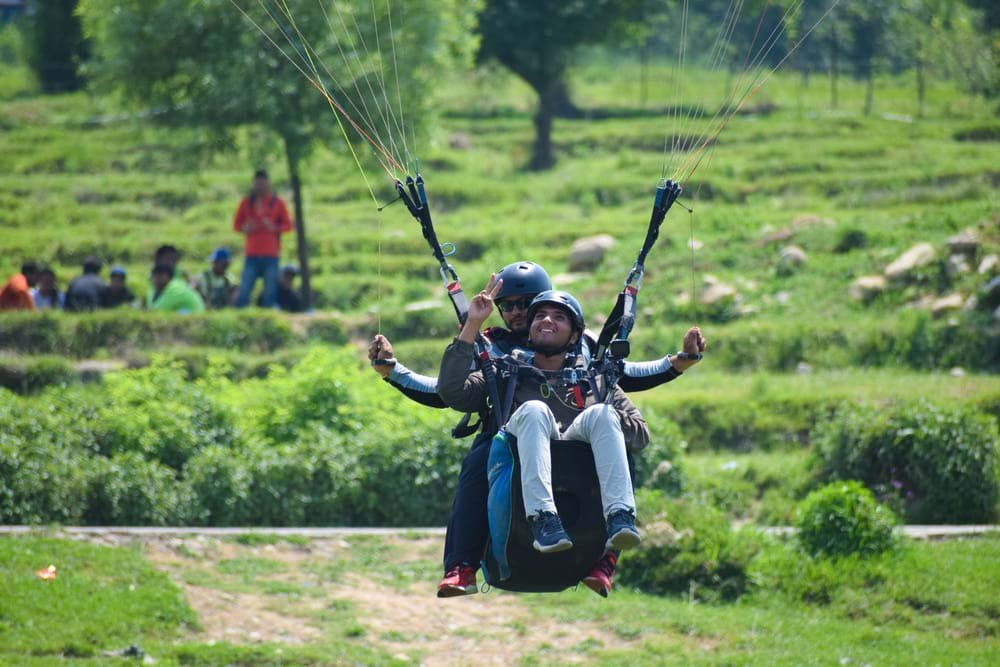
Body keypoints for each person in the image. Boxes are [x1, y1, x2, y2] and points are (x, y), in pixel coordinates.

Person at [369, 260, 705, 597]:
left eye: (527, 306)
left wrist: (676, 364)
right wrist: (395, 370)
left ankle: (608, 549)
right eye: (509, 307)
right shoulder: (495, 357)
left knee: (612, 435)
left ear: (571, 329)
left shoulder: (586, 354)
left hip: (575, 443)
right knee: (484, 455)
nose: (519, 313)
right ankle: (464, 562)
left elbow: (625, 375)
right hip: (511, 438)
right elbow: (448, 391)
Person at [233, 169, 292, 308]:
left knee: (270, 292)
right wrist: (246, 228)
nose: (260, 187)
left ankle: (267, 316)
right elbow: (236, 225)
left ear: (268, 184)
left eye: (262, 184)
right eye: (257, 184)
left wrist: (273, 227)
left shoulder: (277, 203)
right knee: (245, 289)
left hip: (271, 255)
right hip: (251, 254)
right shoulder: (246, 203)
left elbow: (288, 225)